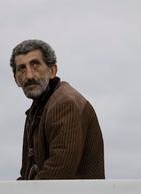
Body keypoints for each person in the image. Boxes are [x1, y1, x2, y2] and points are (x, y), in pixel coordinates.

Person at [11, 39, 104, 180]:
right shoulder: (36, 110)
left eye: (35, 65)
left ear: (52, 71)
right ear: (16, 79)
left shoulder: (65, 104)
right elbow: (27, 173)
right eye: (22, 68)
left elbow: (57, 174)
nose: (29, 76)